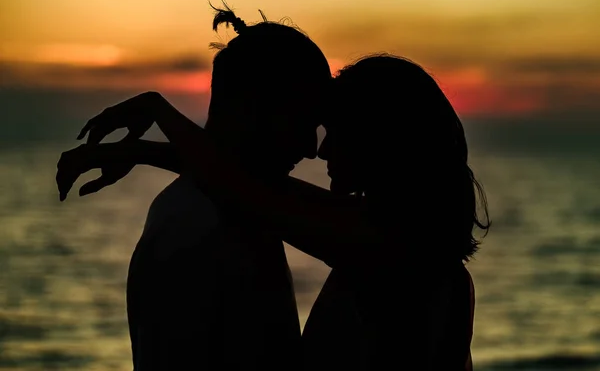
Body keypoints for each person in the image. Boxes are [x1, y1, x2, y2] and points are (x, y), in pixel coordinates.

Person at [57, 54, 489, 370]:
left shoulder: (386, 248)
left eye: (335, 132)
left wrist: (156, 111)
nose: (320, 149)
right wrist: (141, 149)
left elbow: (246, 189)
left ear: (379, 140)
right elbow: (264, 186)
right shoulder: (403, 237)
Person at [58, 3, 332, 370]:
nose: (311, 149)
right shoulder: (195, 230)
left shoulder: (242, 208)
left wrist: (144, 139)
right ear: (249, 108)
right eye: (300, 122)